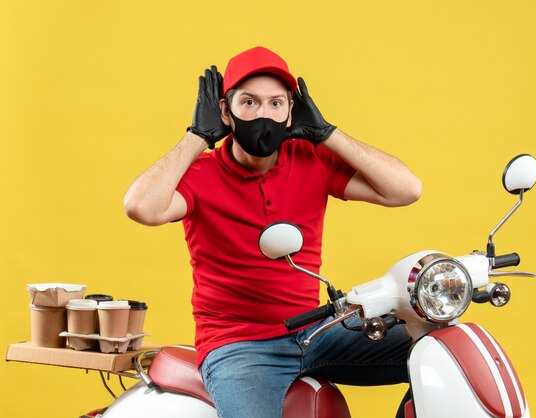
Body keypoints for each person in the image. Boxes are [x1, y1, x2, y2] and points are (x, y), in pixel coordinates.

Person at [124, 46, 423, 417]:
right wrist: (197, 136)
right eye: (248, 103)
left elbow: (406, 190)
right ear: (225, 111)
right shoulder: (201, 174)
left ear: (290, 111)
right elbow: (141, 207)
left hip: (316, 331)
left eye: (275, 104)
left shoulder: (311, 158)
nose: (263, 114)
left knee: (438, 352)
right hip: (240, 346)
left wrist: (328, 134)